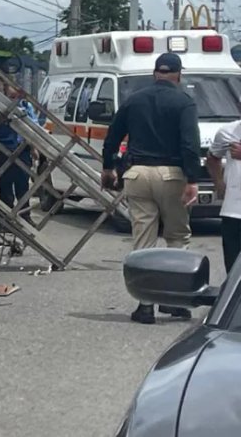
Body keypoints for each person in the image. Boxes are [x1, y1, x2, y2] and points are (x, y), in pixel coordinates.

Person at [101, 52, 201, 325]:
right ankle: (175, 301)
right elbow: (190, 144)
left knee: (143, 240)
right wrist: (193, 180)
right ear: (179, 75)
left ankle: (145, 305)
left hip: (137, 175)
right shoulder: (184, 102)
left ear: (155, 73)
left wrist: (108, 167)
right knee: (177, 236)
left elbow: (113, 135)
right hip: (172, 175)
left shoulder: (135, 99)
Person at [0, 83, 41, 223]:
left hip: (22, 149)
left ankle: (25, 216)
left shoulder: (25, 106)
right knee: (5, 184)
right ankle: (6, 217)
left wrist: (34, 148)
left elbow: (34, 127)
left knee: (22, 186)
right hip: (3, 149)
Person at [205, 120, 241, 275]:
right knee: (233, 271)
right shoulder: (227, 131)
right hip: (233, 211)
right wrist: (219, 182)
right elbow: (212, 157)